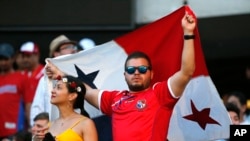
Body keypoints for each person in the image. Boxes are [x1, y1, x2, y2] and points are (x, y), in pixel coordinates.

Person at [44, 13, 196, 141]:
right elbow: (86, 91)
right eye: (131, 69)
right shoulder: (115, 98)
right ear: (125, 75)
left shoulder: (159, 94)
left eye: (142, 69)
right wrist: (60, 74)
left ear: (151, 73)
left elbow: (186, 72)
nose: (136, 72)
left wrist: (188, 34)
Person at [30, 35, 79, 126]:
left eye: (73, 47)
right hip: (52, 132)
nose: (73, 50)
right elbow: (37, 109)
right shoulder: (44, 80)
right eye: (68, 47)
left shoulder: (79, 75)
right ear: (56, 54)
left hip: (76, 130)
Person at [35, 75, 98, 141]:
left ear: (72, 96)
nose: (52, 91)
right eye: (54, 87)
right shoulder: (49, 125)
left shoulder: (86, 124)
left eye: (59, 88)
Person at [0, 43, 31, 140]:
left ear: (13, 59)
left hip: (15, 130)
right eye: (1, 59)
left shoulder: (22, 78)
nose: (3, 62)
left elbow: (28, 103)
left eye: (6, 59)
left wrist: (30, 125)